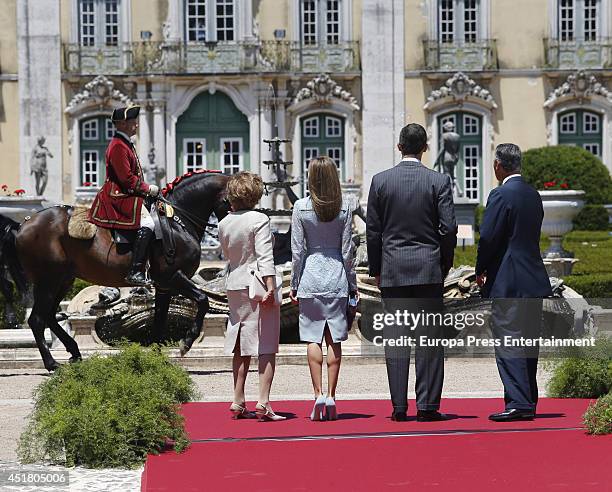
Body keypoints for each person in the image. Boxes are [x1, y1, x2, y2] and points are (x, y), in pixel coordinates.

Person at [366, 123, 457, 422]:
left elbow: (373, 232)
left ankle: (399, 407)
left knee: (396, 340)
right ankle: (428, 407)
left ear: (399, 147)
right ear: (425, 148)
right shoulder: (438, 181)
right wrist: (444, 264)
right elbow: (448, 229)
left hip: (393, 271)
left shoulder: (380, 182)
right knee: (429, 341)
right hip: (428, 269)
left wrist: (377, 269)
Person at [476, 143, 552, 422]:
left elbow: (488, 237)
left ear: (499, 165)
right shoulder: (534, 195)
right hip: (532, 277)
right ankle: (528, 399)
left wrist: (480, 268)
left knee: (508, 339)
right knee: (529, 341)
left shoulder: (500, 194)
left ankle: (519, 402)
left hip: (508, 279)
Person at [290, 156, 357, 421]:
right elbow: (347, 251)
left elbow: (297, 251)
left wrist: (294, 283)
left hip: (310, 276)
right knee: (335, 340)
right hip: (337, 275)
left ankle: (317, 392)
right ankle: (331, 394)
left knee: (312, 338)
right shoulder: (345, 207)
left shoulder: (300, 207)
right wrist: (352, 285)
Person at [218, 172, 285, 422]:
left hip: (234, 283)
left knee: (240, 341)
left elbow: (226, 253)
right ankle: (264, 402)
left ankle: (237, 399)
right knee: (266, 344)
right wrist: (270, 287)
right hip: (257, 284)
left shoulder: (224, 222)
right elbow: (265, 257)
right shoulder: (259, 219)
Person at [88, 105, 159, 286]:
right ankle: (136, 271)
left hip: (126, 193)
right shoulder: (118, 146)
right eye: (132, 121)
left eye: (135, 121)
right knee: (148, 223)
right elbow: (126, 179)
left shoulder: (125, 143)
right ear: (122, 124)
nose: (136, 124)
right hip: (117, 196)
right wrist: (147, 188)